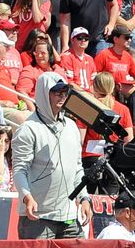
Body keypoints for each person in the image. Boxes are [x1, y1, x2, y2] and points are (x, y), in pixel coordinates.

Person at [11, 72, 86, 238]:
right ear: (44, 93)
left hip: (69, 216)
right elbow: (19, 170)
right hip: (38, 216)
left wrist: (84, 197)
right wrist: (26, 197)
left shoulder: (72, 127)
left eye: (65, 91)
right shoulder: (28, 129)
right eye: (56, 91)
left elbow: (77, 168)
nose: (62, 96)